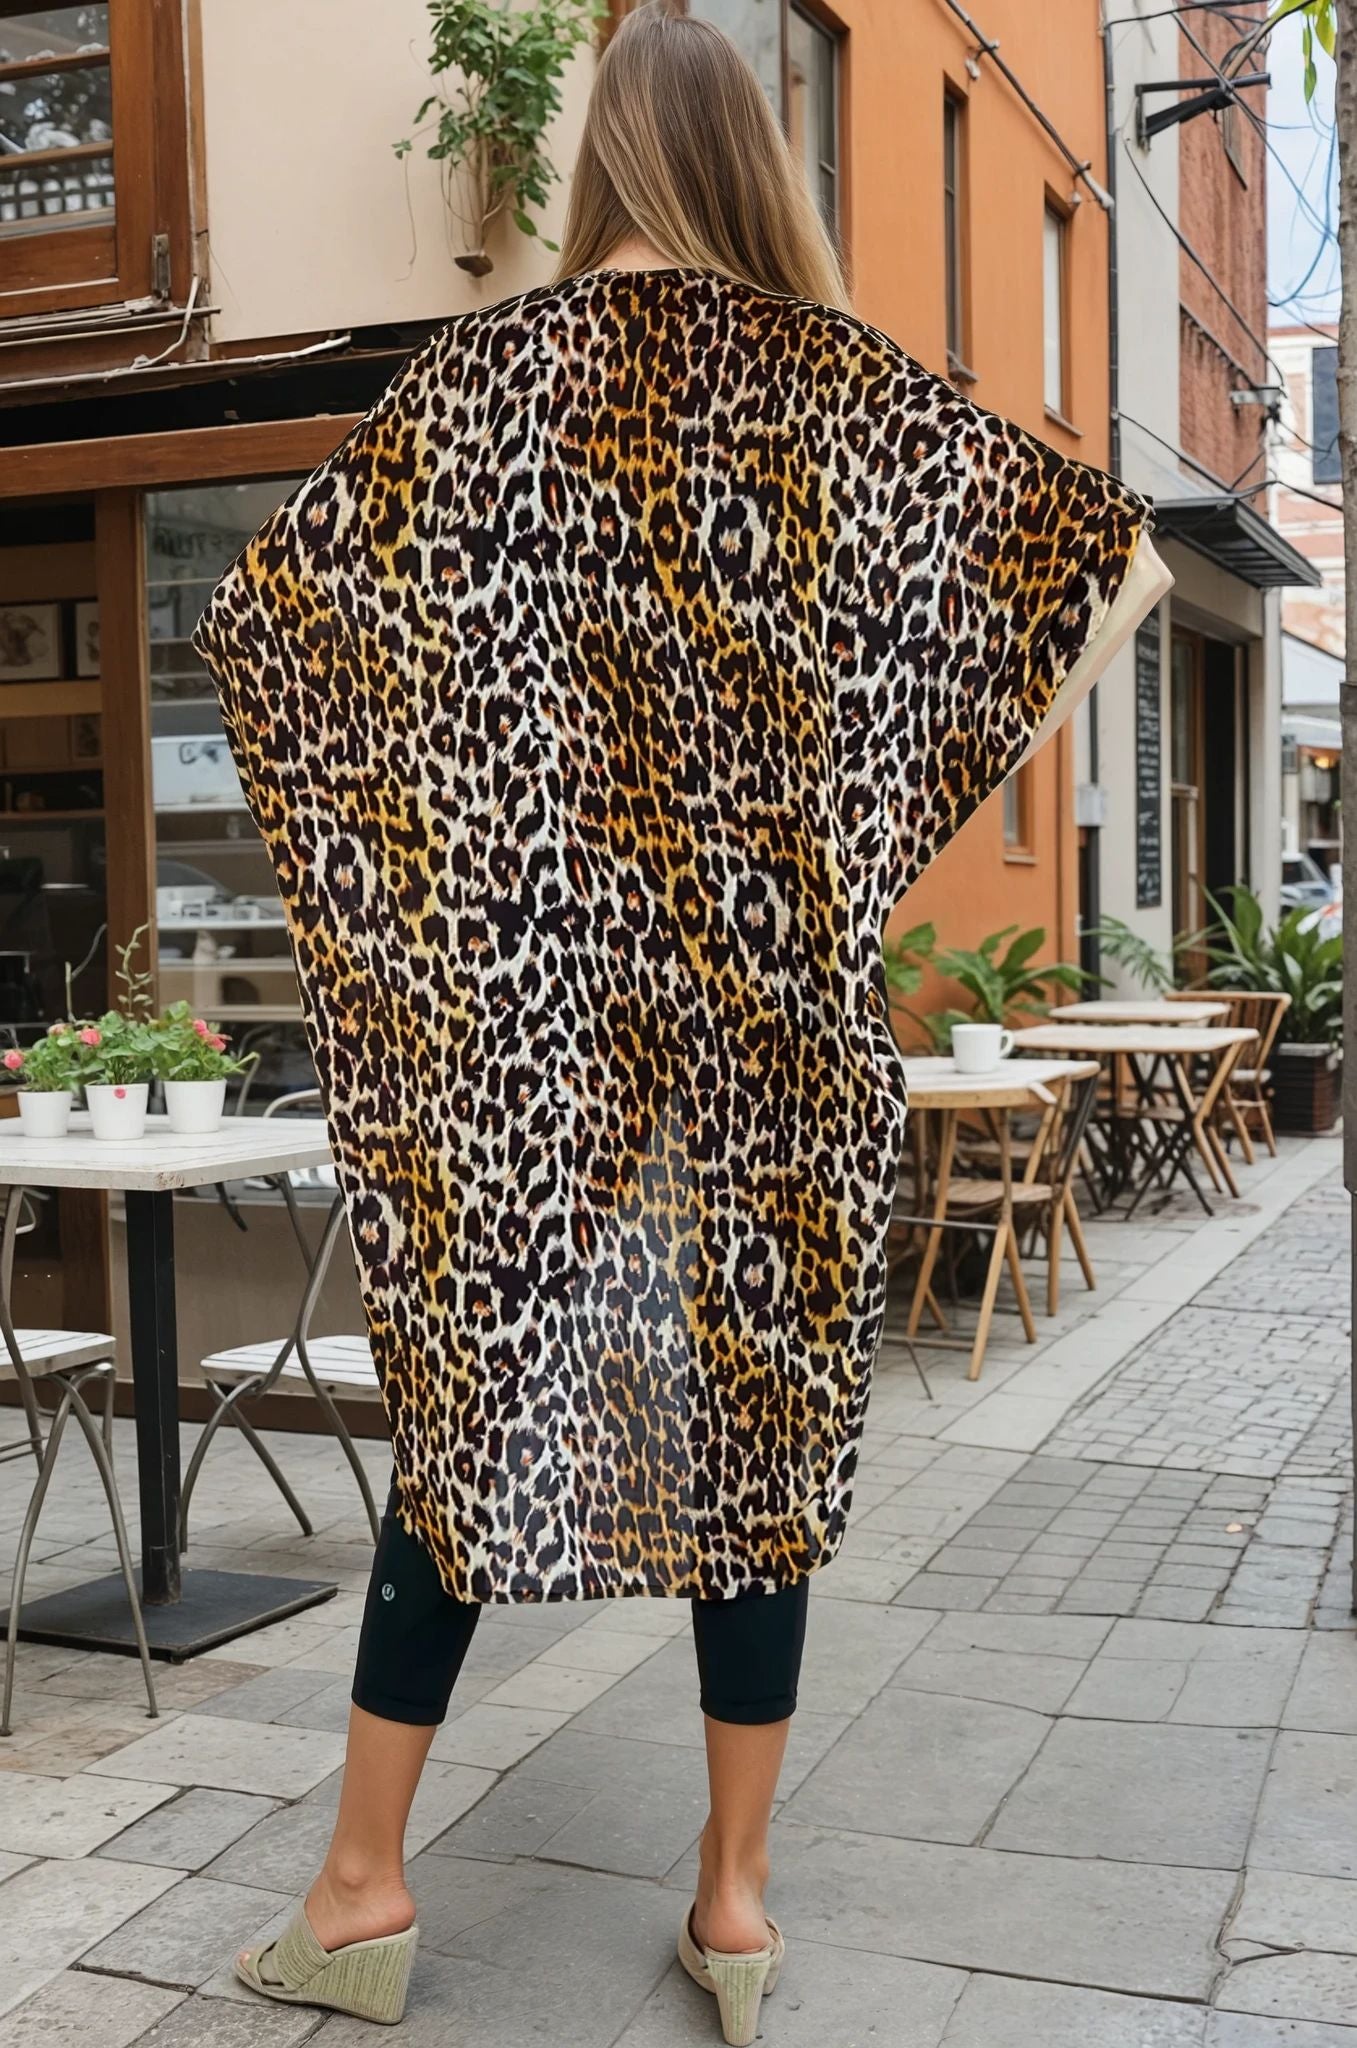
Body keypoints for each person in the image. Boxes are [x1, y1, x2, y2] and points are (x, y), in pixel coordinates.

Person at [190, 2, 1171, 2036]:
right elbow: (1092, 574)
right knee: (756, 1432)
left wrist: (445, 911)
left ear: (597, 163)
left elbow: (270, 634)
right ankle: (731, 1909)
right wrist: (851, 825)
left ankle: (360, 1888)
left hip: (534, 1042)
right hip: (770, 1037)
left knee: (478, 1423)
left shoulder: (477, 388)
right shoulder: (835, 402)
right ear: (751, 166)